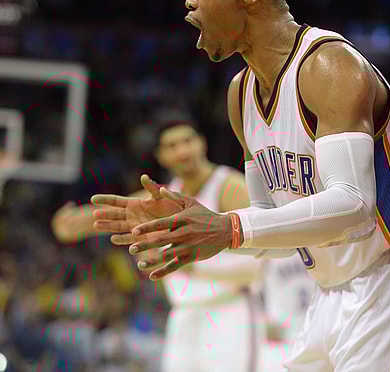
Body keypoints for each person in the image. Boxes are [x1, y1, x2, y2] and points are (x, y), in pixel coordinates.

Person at [92, 0, 390, 371]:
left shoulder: (328, 66)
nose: (189, 1)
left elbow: (353, 205)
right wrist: (199, 233)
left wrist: (228, 227)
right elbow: (272, 233)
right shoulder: (240, 95)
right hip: (325, 295)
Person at [52, 114, 265, 372]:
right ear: (161, 156)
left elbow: (264, 260)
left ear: (202, 143)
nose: (182, 150)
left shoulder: (230, 187)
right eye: (172, 146)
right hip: (183, 312)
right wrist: (72, 223)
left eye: (187, 141)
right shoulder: (161, 196)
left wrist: (193, 267)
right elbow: (111, 213)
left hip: (232, 310)